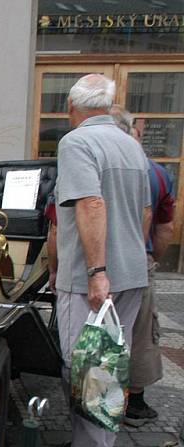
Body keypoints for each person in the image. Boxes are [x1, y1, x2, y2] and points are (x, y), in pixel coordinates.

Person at [47, 74, 151, 447]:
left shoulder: (76, 142)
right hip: (130, 272)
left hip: (94, 276)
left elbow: (91, 203)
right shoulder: (131, 144)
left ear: (72, 108)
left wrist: (96, 272)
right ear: (108, 106)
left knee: (89, 365)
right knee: (109, 362)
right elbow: (144, 212)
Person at [108, 106, 177, 427]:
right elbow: (164, 227)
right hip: (137, 260)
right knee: (139, 331)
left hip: (90, 266)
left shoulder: (89, 164)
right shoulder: (156, 172)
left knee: (97, 332)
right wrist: (150, 257)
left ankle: (96, 405)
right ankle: (134, 400)